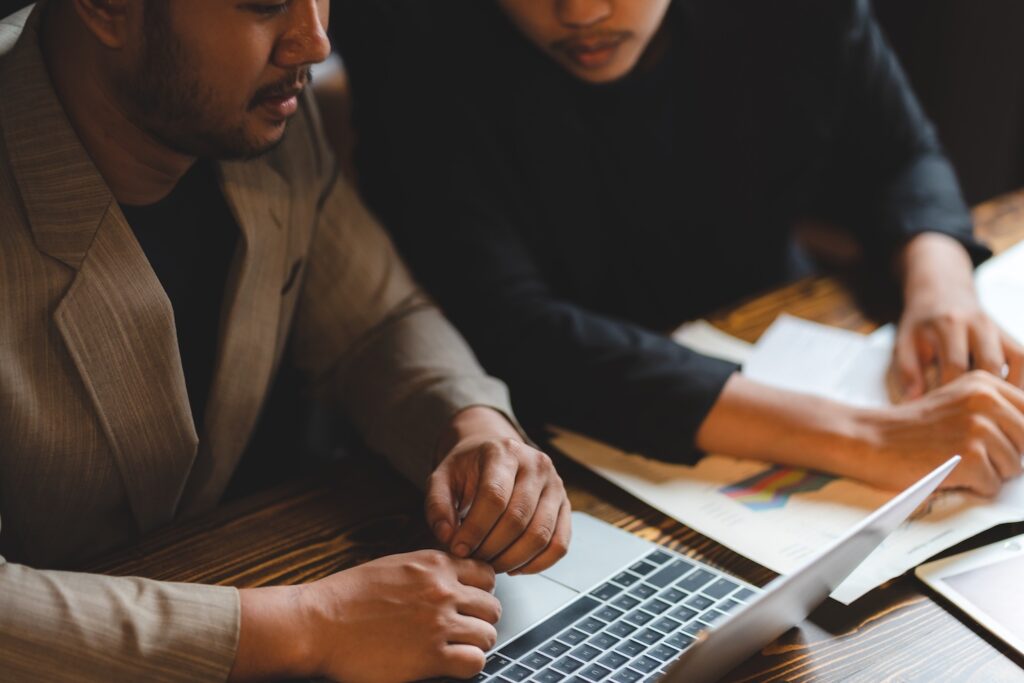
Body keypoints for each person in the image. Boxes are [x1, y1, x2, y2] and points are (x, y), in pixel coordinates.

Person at [0, 1, 571, 681]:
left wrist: (473, 426)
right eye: (266, 3)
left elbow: (374, 322)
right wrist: (308, 623)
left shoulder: (256, 111)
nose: (316, 41)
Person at [335, 0, 1024, 498]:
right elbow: (509, 329)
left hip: (766, 327)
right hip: (548, 443)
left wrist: (942, 285)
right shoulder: (409, 31)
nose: (580, 12)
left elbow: (896, 152)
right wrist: (872, 438)